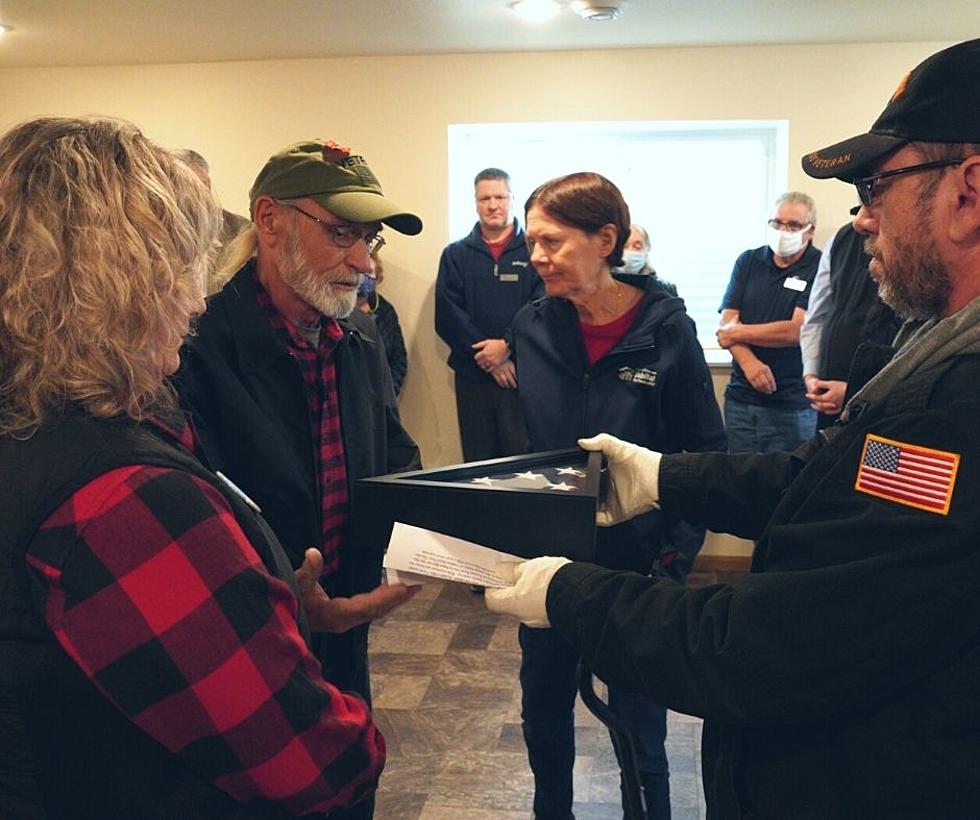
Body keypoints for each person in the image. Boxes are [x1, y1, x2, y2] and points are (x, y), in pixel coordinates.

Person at [485, 37, 980, 819]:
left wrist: (577, 591)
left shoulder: (959, 402)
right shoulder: (931, 351)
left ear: (968, 190)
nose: (860, 221)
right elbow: (829, 481)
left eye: (878, 185)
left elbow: (772, 647)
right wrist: (659, 475)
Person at [0, 117, 393, 818]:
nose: (191, 299)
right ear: (116, 283)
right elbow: (314, 763)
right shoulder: (119, 494)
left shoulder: (35, 421)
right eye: (182, 269)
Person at [176, 139, 423, 820]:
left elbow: (394, 455)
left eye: (368, 241)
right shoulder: (194, 347)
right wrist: (288, 591)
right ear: (269, 219)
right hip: (247, 644)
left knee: (348, 788)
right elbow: (197, 511)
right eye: (341, 235)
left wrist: (417, 542)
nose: (363, 262)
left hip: (345, 624)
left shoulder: (361, 338)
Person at [511, 172, 727, 819]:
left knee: (640, 729)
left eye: (551, 241)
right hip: (551, 566)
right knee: (542, 713)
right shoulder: (531, 325)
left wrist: (672, 562)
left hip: (640, 570)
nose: (537, 256)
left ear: (605, 239)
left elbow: (702, 454)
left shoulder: (665, 331)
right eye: (532, 241)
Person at [435, 167, 544, 461]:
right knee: (478, 463)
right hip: (473, 377)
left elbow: (542, 307)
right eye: (485, 198)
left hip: (521, 376)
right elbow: (448, 316)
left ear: (512, 199)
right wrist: (491, 360)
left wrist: (507, 346)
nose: (493, 205)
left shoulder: (536, 252)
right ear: (475, 202)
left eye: (499, 196)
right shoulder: (455, 254)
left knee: (522, 462)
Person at [717, 192, 821, 453]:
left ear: (810, 231)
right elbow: (725, 325)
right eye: (777, 223)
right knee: (737, 484)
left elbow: (795, 330)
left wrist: (736, 332)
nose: (783, 231)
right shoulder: (748, 261)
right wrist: (749, 362)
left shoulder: (820, 266)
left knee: (787, 486)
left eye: (793, 225)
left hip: (792, 404)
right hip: (741, 399)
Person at [801, 207, 902, 428]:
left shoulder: (906, 240)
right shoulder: (840, 239)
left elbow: (912, 340)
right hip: (827, 392)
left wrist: (857, 391)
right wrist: (811, 373)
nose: (859, 220)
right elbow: (817, 315)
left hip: (880, 403)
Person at [178, 148, 251, 291]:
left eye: (197, 186)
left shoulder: (242, 234)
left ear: (208, 185)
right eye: (179, 186)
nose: (189, 197)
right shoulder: (154, 236)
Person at [357, 252, 408, 396]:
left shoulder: (385, 311)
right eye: (360, 273)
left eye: (369, 273)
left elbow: (399, 359)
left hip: (382, 400)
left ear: (377, 278)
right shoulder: (336, 312)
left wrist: (388, 393)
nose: (364, 279)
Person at [621, 223, 678, 296]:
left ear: (647, 249)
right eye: (625, 246)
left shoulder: (665, 289)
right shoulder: (605, 286)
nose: (630, 251)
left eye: (637, 247)